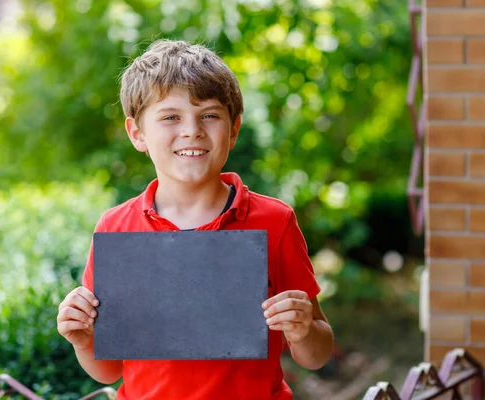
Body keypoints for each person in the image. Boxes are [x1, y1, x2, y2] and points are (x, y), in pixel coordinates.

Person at [56, 39, 333, 400]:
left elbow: (317, 353)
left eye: (209, 115)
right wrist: (81, 340)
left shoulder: (275, 221)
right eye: (170, 116)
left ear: (233, 129)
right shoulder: (115, 227)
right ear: (137, 133)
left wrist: (302, 331)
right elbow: (108, 369)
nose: (192, 130)